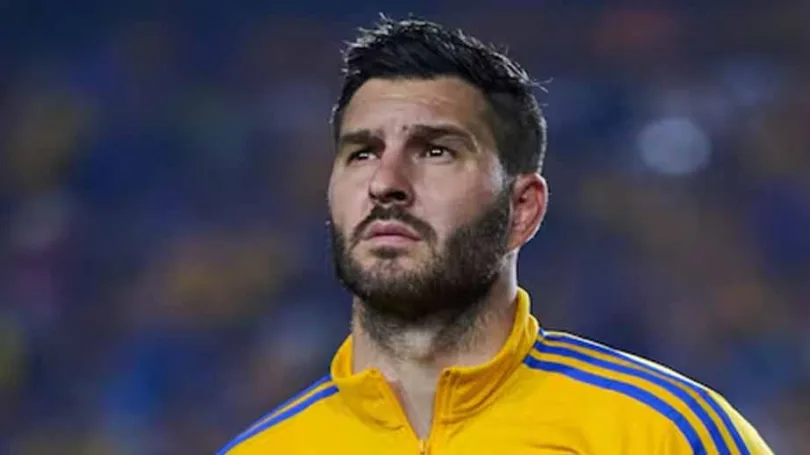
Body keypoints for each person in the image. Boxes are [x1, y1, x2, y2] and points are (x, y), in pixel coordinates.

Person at [218, 16, 773, 455]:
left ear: (522, 209)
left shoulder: (662, 435)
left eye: (436, 151)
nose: (386, 182)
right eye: (362, 153)